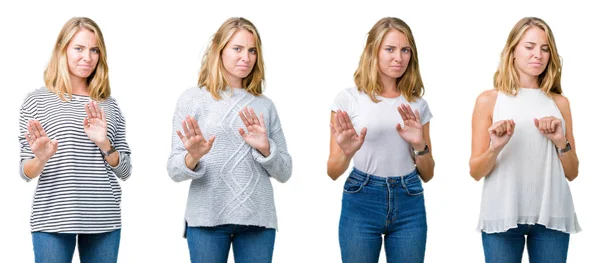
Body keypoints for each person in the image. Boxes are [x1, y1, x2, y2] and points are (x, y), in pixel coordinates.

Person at [166, 17, 292, 263]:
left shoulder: (265, 105)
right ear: (219, 50)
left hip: (258, 220)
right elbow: (174, 170)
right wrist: (193, 156)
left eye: (252, 50)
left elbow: (285, 172)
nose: (246, 57)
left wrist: (266, 148)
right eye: (238, 48)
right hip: (206, 219)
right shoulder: (192, 99)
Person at [18, 17, 132, 263]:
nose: (87, 58)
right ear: (63, 50)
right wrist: (41, 158)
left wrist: (105, 144)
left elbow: (125, 171)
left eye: (94, 50)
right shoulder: (37, 101)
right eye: (78, 48)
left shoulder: (109, 105)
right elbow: (25, 172)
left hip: (103, 217)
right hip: (53, 217)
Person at [469, 17, 580, 263]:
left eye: (544, 48)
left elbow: (572, 172)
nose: (537, 55)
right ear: (512, 52)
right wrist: (495, 148)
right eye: (529, 47)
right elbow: (476, 171)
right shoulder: (489, 100)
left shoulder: (560, 103)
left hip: (552, 215)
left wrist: (561, 142)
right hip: (502, 215)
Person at [327, 17, 435, 263]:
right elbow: (332, 171)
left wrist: (419, 146)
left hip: (409, 200)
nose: (399, 57)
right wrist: (347, 151)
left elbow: (428, 174)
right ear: (373, 51)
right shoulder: (348, 99)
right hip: (362, 198)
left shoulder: (418, 104)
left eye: (405, 50)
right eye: (390, 49)